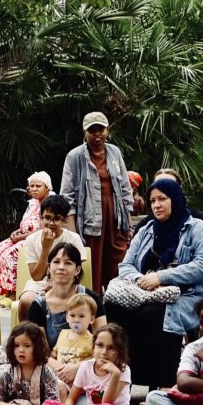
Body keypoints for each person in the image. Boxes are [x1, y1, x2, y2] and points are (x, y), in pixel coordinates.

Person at [107, 178, 203, 389]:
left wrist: (162, 278)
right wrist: (141, 280)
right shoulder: (147, 229)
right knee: (115, 308)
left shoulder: (198, 228)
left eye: (162, 199)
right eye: (153, 200)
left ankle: (165, 381)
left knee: (156, 314)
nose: (157, 205)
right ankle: (128, 379)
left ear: (175, 199)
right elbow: (126, 265)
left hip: (190, 294)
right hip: (147, 292)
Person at [60, 111, 133, 294]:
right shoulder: (74, 157)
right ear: (85, 133)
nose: (97, 134)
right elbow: (67, 196)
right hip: (89, 222)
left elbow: (125, 187)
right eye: (92, 130)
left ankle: (117, 309)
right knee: (91, 269)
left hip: (115, 220)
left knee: (117, 265)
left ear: (107, 130)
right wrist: (73, 233)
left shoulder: (114, 152)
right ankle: (93, 311)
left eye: (100, 129)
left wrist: (129, 225)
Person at [39, 323, 132, 405]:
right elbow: (71, 399)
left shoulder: (123, 370)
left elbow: (106, 403)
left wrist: (115, 374)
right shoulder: (85, 366)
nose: (104, 352)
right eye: (100, 345)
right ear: (93, 347)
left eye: (111, 348)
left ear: (120, 351)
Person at [27, 242, 106, 359]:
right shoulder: (38, 306)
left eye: (68, 263)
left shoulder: (91, 298)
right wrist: (61, 369)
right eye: (56, 262)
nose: (61, 267)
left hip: (88, 365)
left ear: (77, 270)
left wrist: (77, 368)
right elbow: (42, 351)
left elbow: (103, 343)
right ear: (48, 268)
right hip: (52, 366)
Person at [15, 194, 86, 322]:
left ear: (64, 220)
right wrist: (46, 248)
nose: (51, 223)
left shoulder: (73, 238)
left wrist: (56, 284)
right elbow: (36, 276)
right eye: (47, 218)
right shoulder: (32, 239)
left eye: (56, 219)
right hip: (39, 283)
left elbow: (77, 271)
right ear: (41, 217)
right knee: (26, 301)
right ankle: (26, 335)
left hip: (68, 282)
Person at [0, 172, 52, 296]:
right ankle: (4, 290)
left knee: (9, 255)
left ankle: (14, 292)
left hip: (37, 239)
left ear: (47, 188)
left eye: (38, 186)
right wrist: (17, 232)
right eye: (32, 186)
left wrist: (21, 237)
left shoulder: (49, 204)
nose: (34, 189)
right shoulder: (33, 203)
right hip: (24, 236)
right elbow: (26, 223)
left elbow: (42, 230)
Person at [48, 293, 97, 392]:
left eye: (81, 316)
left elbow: (94, 358)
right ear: (67, 317)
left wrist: (76, 367)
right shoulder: (62, 333)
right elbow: (55, 353)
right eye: (72, 315)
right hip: (60, 377)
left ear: (91, 319)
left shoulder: (91, 339)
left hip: (78, 383)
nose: (76, 320)